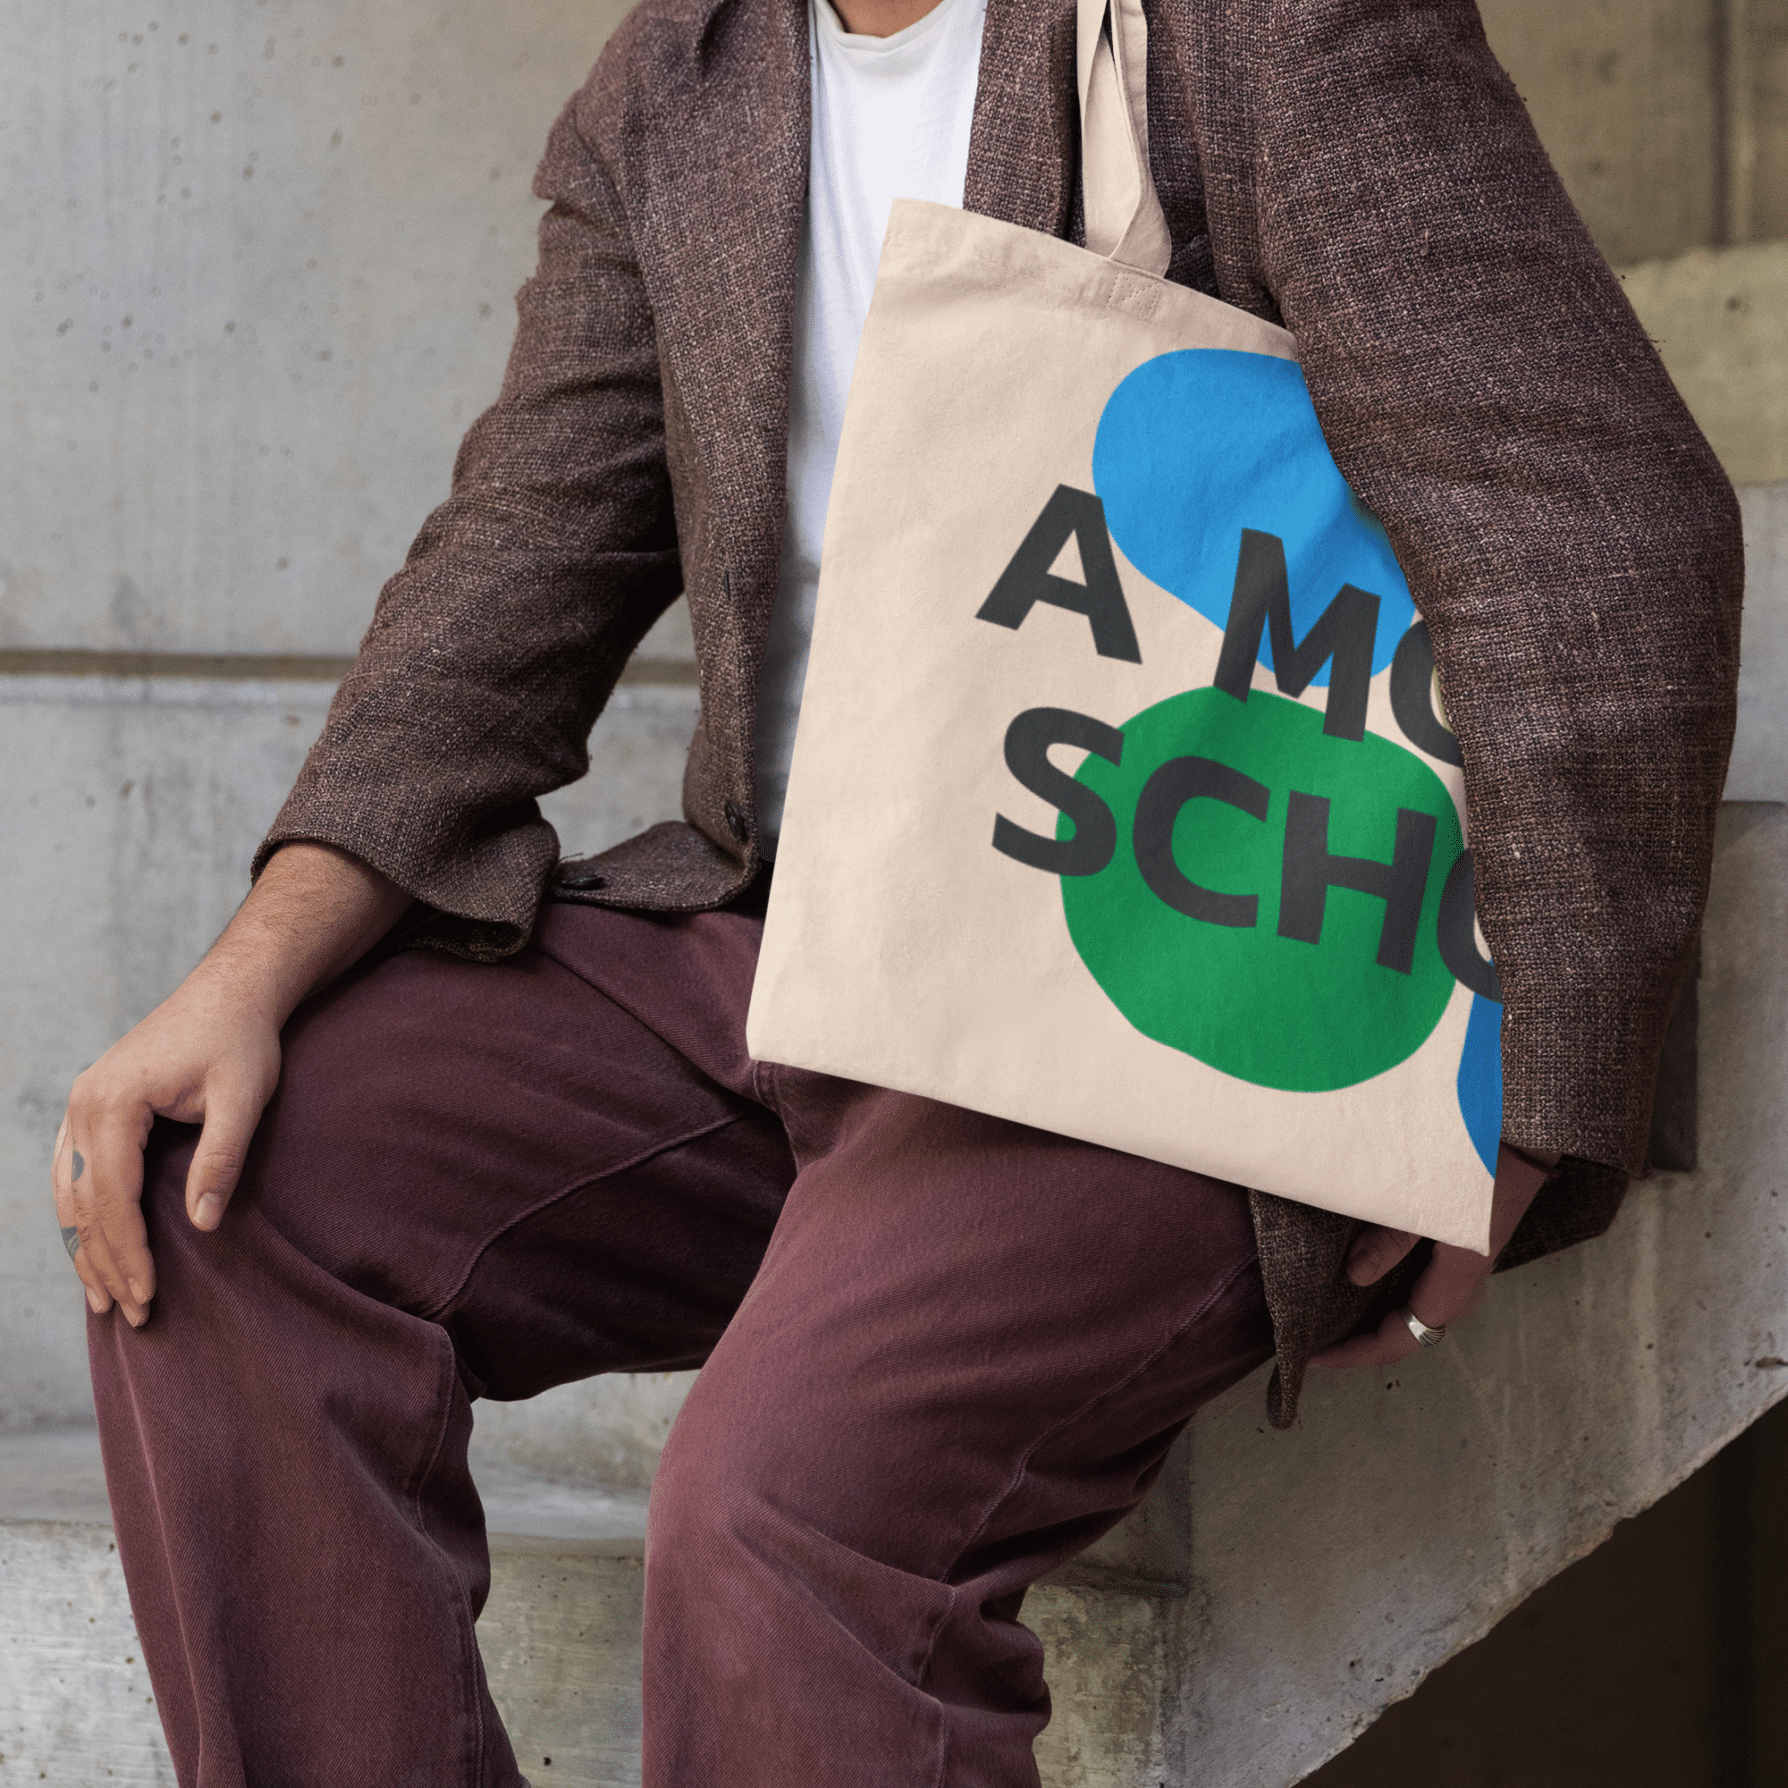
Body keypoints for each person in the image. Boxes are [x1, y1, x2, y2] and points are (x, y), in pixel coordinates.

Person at [52, 0, 1741, 1781]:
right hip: (804, 935)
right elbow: (516, 570)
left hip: (1159, 961)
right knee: (215, 1179)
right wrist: (244, 973)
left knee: (779, 1512)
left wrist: (1521, 1102)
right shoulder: (683, 80)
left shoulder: (1256, 26)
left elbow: (1597, 521)